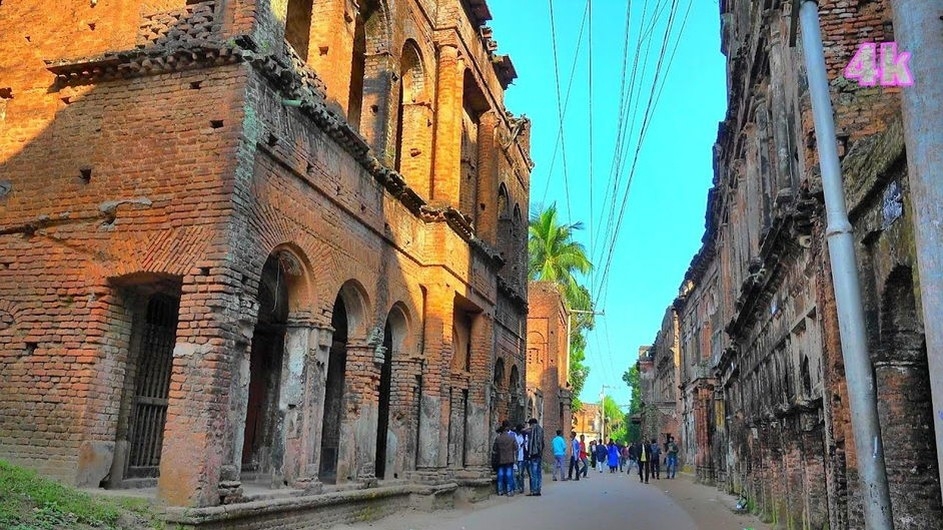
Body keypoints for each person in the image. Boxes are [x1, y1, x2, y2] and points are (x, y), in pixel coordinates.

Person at [492, 422, 517, 496]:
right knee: (509, 474)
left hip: (500, 459)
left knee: (500, 474)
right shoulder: (512, 438)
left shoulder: (498, 438)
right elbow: (516, 447)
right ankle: (509, 491)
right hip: (509, 459)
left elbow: (494, 449)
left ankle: (500, 490)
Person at [526, 418, 544, 496]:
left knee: (533, 473)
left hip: (534, 454)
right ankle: (538, 489)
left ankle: (533, 490)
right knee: (538, 473)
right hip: (539, 454)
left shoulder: (533, 429)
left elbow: (531, 442)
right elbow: (542, 443)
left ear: (531, 424)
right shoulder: (541, 429)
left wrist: (530, 453)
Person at [514, 424, 527, 494]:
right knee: (518, 473)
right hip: (518, 458)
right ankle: (518, 487)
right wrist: (522, 444)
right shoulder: (516, 437)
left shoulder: (523, 436)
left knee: (521, 474)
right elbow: (517, 447)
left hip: (522, 457)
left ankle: (521, 487)